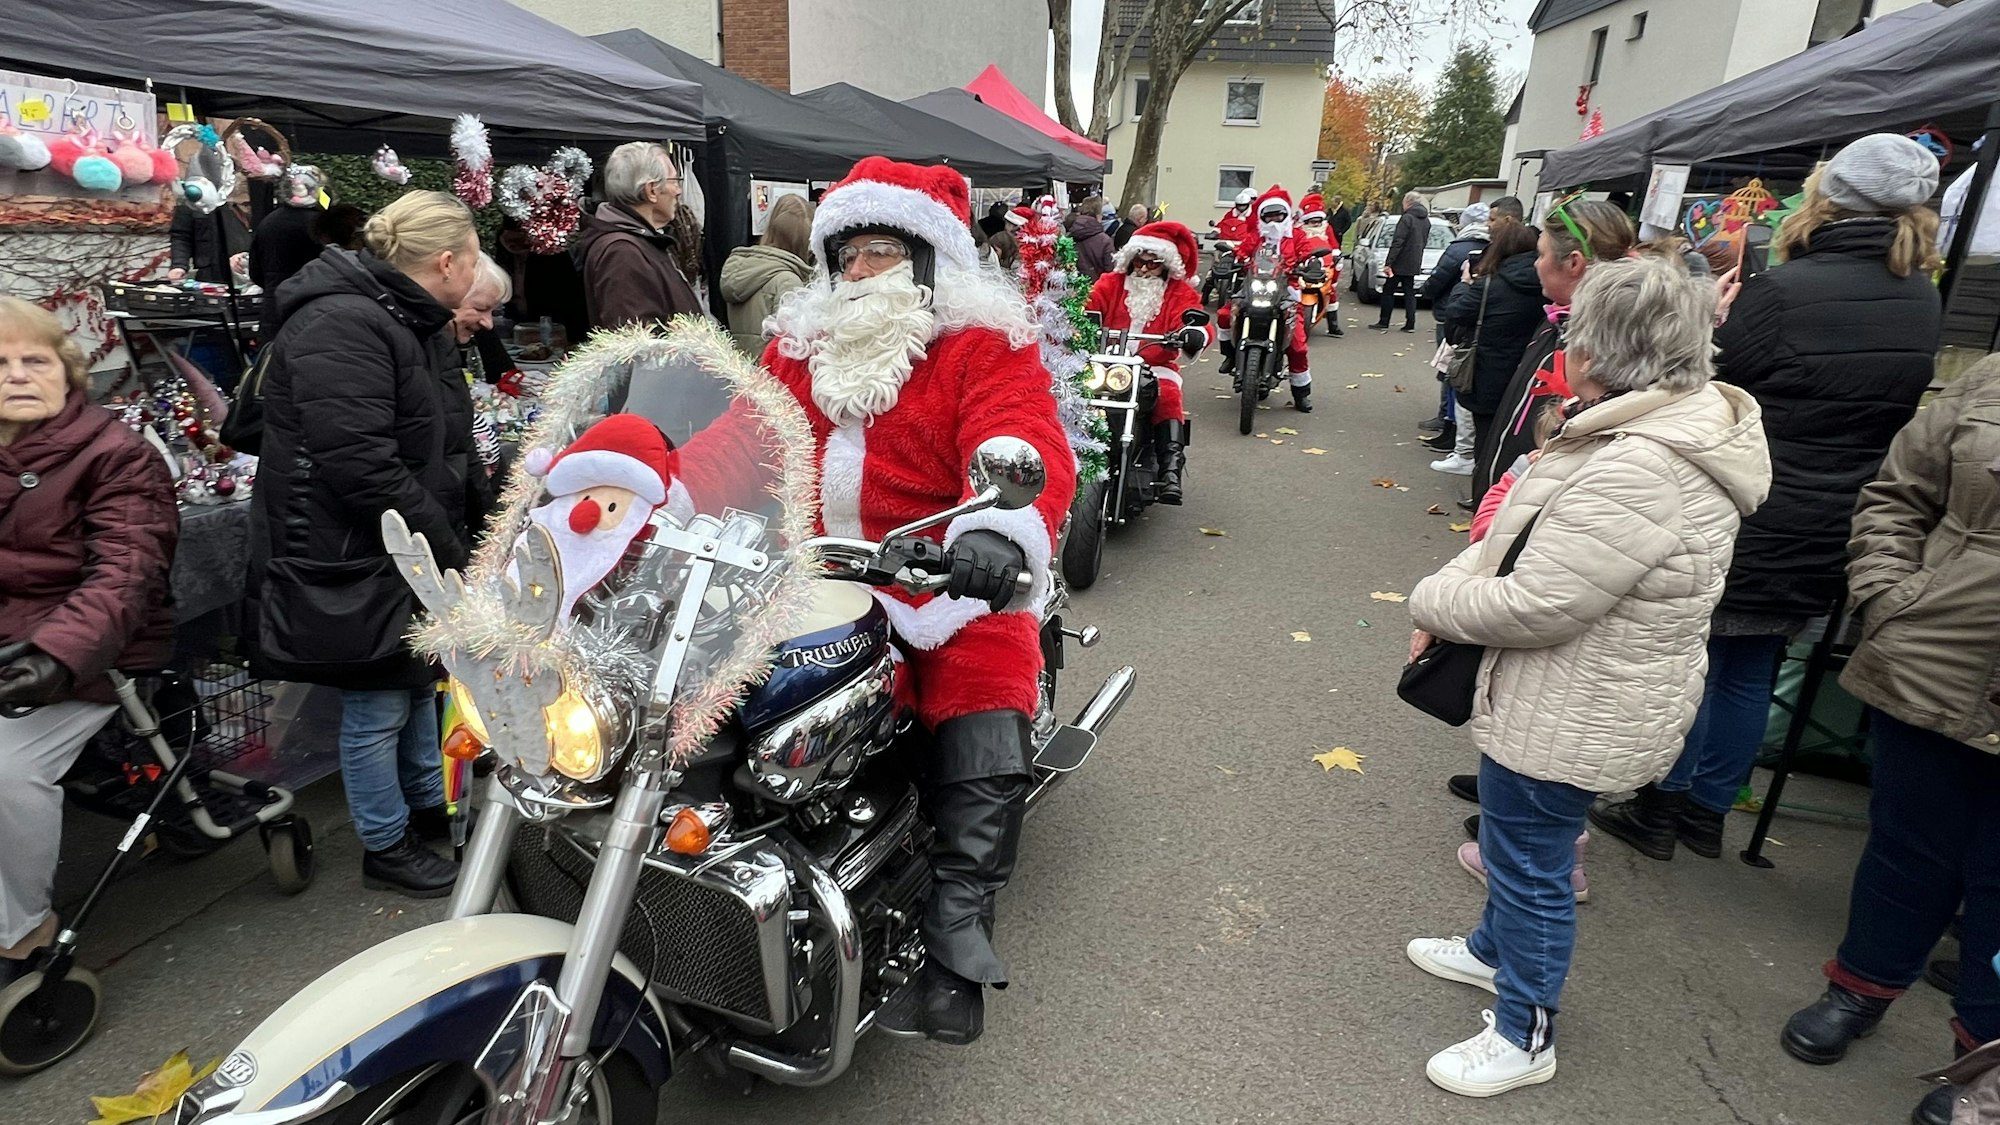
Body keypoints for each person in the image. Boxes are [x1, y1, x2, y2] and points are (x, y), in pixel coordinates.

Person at [668, 156, 1076, 1046]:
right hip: (808, 576)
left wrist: (992, 537)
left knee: (982, 679)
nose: (856, 275)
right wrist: (650, 492)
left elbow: (1021, 432)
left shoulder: (981, 343)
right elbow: (742, 438)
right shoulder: (795, 348)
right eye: (844, 256)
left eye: (879, 252)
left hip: (940, 579)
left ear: (928, 258)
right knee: (696, 688)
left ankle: (957, 926)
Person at [1405, 254, 1771, 1098]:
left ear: (1604, 348)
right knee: (1514, 841)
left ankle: (1524, 1028)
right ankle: (1492, 953)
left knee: (1530, 864)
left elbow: (1541, 602)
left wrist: (1434, 596)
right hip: (1577, 689)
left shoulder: (1641, 460)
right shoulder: (1658, 428)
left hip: (1576, 696)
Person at [1591, 133, 1945, 862]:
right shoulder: (1921, 299)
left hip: (1752, 499)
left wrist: (1718, 323)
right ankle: (1709, 810)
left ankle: (1660, 803)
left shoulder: (1787, 289)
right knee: (1751, 667)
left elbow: (1708, 386)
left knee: (1696, 657)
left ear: (1826, 197)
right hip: (1837, 513)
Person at [1769, 353, 2000, 1125]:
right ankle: (1859, 988)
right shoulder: (1991, 378)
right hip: (1935, 657)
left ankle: (1988, 1062)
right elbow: (1897, 494)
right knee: (1907, 848)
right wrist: (1889, 594)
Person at [249, 190, 482, 898]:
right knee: (378, 701)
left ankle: (420, 809)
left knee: (415, 684)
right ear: (448, 261)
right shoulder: (344, 321)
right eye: (474, 259)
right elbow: (359, 462)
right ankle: (385, 842)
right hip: (354, 544)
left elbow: (440, 436)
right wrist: (443, 540)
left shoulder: (405, 317)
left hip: (392, 539)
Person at [0, 297, 179, 983]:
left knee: (8, 770)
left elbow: (126, 575)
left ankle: (21, 932)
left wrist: (54, 657)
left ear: (66, 371)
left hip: (92, 652)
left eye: (35, 359)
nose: (18, 374)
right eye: (1, 362)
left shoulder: (117, 455)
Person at [1083, 220, 1213, 504]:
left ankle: (1170, 468)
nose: (1143, 269)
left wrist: (1193, 333)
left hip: (1155, 366)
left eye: (1151, 264)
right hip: (1106, 362)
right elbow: (1088, 305)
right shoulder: (1111, 283)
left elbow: (1194, 318)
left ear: (1165, 266)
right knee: (1069, 392)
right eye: (1139, 262)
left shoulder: (1179, 292)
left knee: (1168, 394)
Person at [1434, 220, 1545, 483]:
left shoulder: (1491, 286)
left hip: (1488, 369)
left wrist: (1464, 283)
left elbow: (1456, 311)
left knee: (1486, 436)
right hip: (1529, 369)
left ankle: (1483, 490)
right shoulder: (1544, 286)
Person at [577, 141, 704, 333]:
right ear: (651, 190)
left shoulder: (637, 242)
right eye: (674, 181)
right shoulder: (622, 252)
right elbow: (637, 346)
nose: (678, 191)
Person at [1216, 186, 1314, 413]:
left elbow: (1307, 253)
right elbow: (1242, 251)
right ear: (1261, 216)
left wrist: (1312, 264)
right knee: (1224, 314)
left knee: (1298, 343)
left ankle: (1301, 393)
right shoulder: (1256, 236)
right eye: (1268, 215)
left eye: (1277, 215)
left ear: (1285, 215)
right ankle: (1230, 356)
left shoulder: (1296, 236)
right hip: (1254, 286)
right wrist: (1230, 260)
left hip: (1286, 290)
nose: (1273, 220)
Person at [1421, 201, 1495, 461]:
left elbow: (1438, 279)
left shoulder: (1458, 248)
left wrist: (1429, 294)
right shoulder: (1494, 248)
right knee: (1458, 372)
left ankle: (1448, 424)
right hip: (1478, 318)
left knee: (1450, 370)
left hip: (1453, 314)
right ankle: (1450, 426)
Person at [720, 193, 813, 356]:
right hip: (771, 374)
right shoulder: (787, 281)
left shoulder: (742, 269)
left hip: (740, 369)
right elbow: (792, 347)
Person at [248, 165, 331, 338]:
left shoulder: (268, 222)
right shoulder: (323, 225)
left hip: (274, 308)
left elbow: (255, 272)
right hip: (313, 310)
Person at [495, 217, 591, 352]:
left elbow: (569, 299)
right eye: (510, 242)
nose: (515, 246)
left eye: (521, 242)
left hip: (553, 327)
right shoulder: (504, 256)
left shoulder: (552, 255)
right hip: (517, 327)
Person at [1372, 191, 1432, 332]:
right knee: (1409, 292)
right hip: (1414, 260)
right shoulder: (1425, 220)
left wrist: (1389, 263)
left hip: (1400, 261)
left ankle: (1384, 321)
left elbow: (1398, 241)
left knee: (1388, 291)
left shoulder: (1407, 218)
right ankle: (1410, 323)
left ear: (1407, 203)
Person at [168, 197, 251, 285]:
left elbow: (261, 230)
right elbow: (181, 236)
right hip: (209, 273)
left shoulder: (251, 193)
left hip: (245, 270)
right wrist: (179, 265)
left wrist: (246, 255)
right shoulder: (193, 196)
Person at [1295, 192, 1344, 338]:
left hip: (1325, 265)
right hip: (1305, 266)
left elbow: (1334, 245)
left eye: (1318, 221)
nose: (1316, 224)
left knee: (1331, 291)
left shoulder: (1327, 229)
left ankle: (1333, 325)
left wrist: (1336, 256)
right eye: (1312, 221)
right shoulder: (1299, 231)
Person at [1069, 196, 1116, 280]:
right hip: (1097, 288)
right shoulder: (1105, 240)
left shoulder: (1069, 236)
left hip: (1073, 288)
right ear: (1098, 215)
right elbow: (1110, 271)